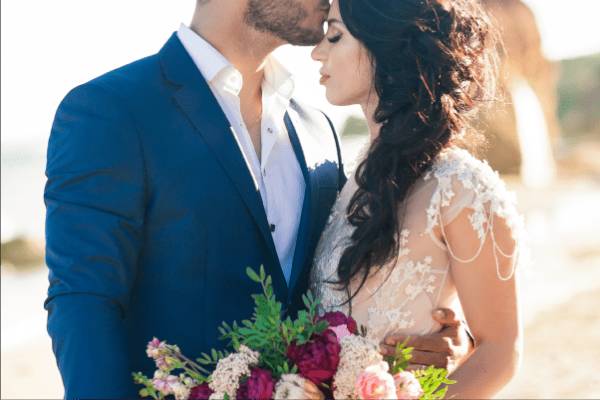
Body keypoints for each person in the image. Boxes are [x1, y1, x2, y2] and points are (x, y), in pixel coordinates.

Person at [44, 0, 471, 397]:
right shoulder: (111, 110)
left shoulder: (318, 129)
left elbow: (350, 278)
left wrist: (444, 335)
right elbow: (84, 300)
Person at [310, 0, 523, 398]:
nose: (317, 51)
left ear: (386, 44)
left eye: (335, 35)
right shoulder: (348, 184)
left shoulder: (459, 187)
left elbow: (501, 351)